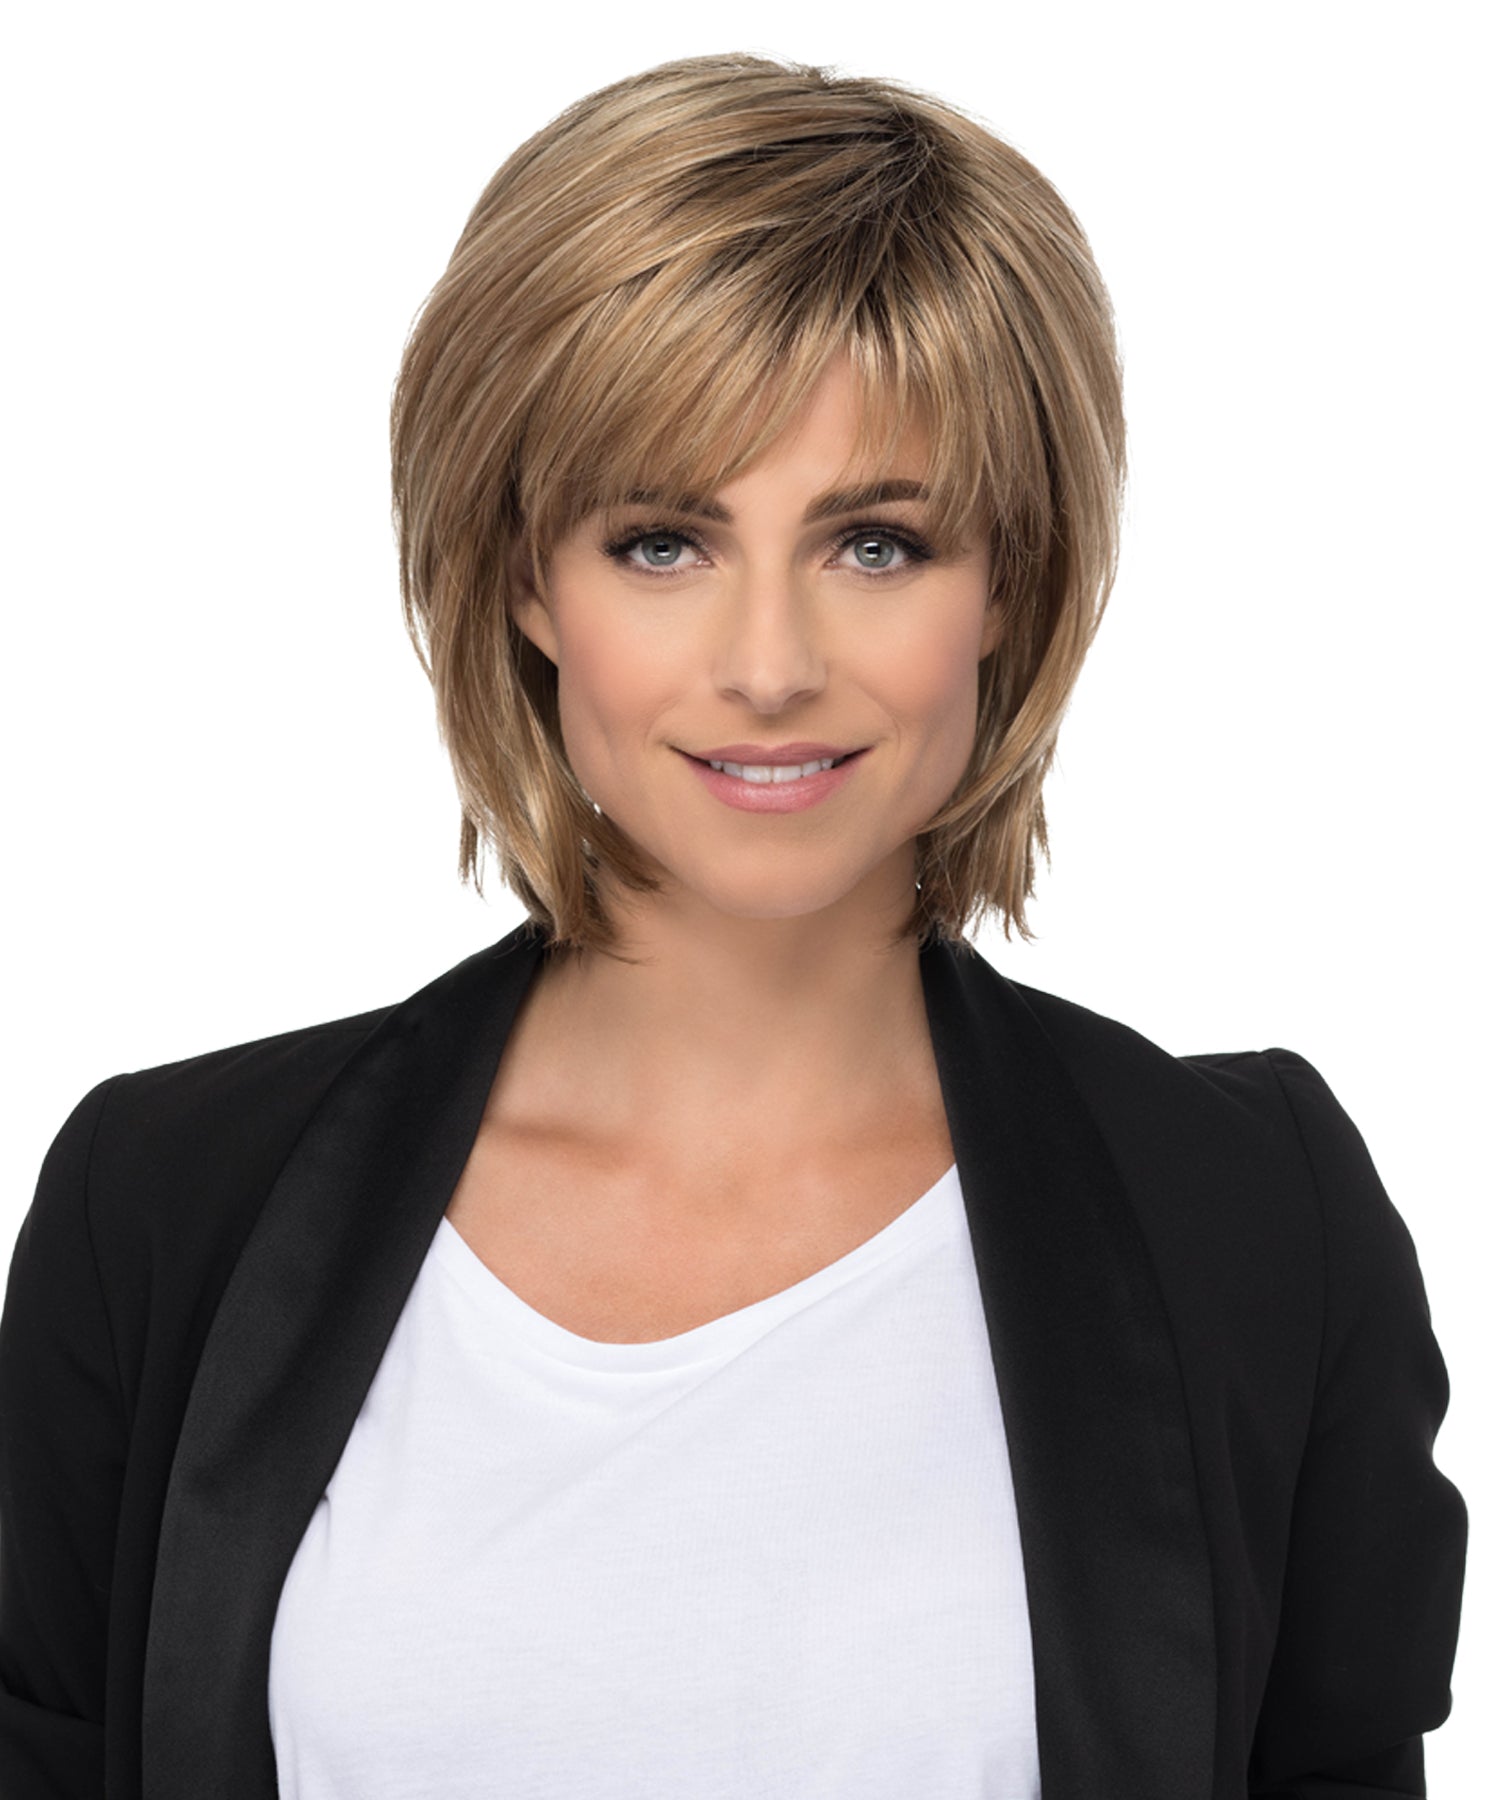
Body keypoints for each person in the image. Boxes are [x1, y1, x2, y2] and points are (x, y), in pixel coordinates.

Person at [0, 51, 1465, 1800]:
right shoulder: (166, 1203)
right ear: (525, 577)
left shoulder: (1254, 1218)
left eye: (876, 545)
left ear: (1011, 577)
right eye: (662, 543)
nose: (770, 667)